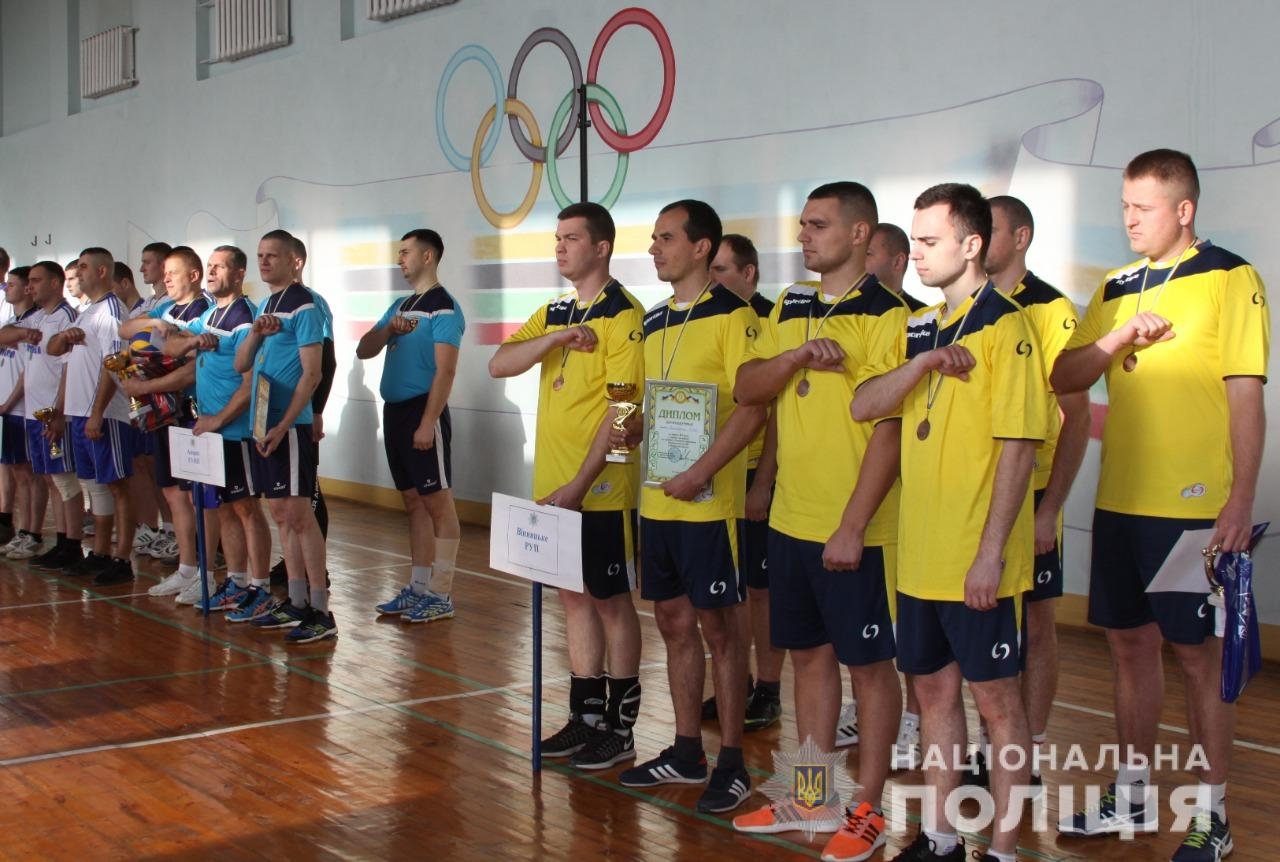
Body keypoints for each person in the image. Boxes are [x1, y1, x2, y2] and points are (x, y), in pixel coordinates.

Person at [1052, 149, 1267, 861]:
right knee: (1128, 647)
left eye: (1141, 208)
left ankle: (1213, 816)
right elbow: (1066, 374)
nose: (1129, 220)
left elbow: (1245, 396)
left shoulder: (1230, 278)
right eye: (1123, 207)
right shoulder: (1117, 285)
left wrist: (1238, 499)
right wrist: (1114, 337)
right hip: (1120, 505)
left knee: (1197, 659)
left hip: (1193, 513)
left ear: (1184, 210)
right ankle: (1134, 795)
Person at [851, 183, 1049, 862]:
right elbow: (863, 405)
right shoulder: (918, 326)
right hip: (921, 558)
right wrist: (924, 363)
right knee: (933, 697)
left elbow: (1020, 447)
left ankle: (1001, 849)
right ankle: (938, 839)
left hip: (977, 559)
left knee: (998, 707)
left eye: (930, 241)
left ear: (972, 245)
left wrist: (991, 554)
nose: (917, 253)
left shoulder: (1010, 328)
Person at [732, 182, 907, 859]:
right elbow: (751, 386)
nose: (804, 236)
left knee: (868, 670)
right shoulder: (789, 304)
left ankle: (866, 809)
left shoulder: (889, 316)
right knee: (807, 660)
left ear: (861, 234)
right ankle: (811, 796)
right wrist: (797, 356)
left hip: (854, 528)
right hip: (792, 521)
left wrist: (854, 525)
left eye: (820, 225)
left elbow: (889, 435)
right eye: (802, 224)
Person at [617, 200, 765, 814]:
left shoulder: (738, 317)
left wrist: (701, 472)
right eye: (652, 239)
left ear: (702, 247)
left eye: (667, 238)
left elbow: (755, 407)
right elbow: (645, 401)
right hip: (659, 503)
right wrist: (631, 428)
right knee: (673, 625)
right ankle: (685, 750)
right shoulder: (653, 322)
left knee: (723, 633)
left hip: (709, 506)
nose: (655, 248)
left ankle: (732, 761)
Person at [489, 203, 645, 770]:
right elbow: (500, 364)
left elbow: (626, 409)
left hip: (599, 488)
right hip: (554, 486)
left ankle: (621, 728)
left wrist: (583, 481)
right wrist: (556, 340)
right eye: (556, 238)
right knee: (572, 599)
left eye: (571, 238)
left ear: (601, 247)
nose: (559, 247)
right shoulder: (555, 310)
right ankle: (585, 718)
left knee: (609, 602)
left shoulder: (624, 315)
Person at [959, 195, 1089, 789]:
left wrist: (1052, 509)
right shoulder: (963, 310)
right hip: (971, 499)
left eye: (993, 229)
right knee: (982, 624)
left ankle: (1026, 751)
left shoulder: (1050, 308)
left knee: (1035, 625)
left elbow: (1075, 417)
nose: (980, 238)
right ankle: (991, 747)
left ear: (1023, 236)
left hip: (1030, 495)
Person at [233, 230, 333, 643]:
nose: (264, 261)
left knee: (299, 516)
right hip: (264, 424)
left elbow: (313, 373)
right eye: (260, 255)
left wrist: (286, 423)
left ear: (296, 261)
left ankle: (321, 611)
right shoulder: (266, 305)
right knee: (280, 516)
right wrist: (256, 331)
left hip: (288, 428)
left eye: (272, 255)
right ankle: (294, 600)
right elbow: (243, 361)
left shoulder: (305, 305)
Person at [163, 245, 274, 620]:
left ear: (240, 273)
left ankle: (261, 587)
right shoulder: (211, 313)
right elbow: (168, 343)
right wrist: (193, 341)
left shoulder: (246, 319)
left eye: (219, 267)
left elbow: (250, 384)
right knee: (225, 508)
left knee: (246, 509)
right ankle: (238, 581)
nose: (211, 272)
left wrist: (219, 419)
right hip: (210, 431)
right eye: (208, 266)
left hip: (236, 431)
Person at [362, 228, 464, 623]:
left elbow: (447, 369)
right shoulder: (400, 306)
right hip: (395, 412)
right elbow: (364, 349)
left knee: (438, 502)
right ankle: (418, 587)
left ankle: (441, 593)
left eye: (406, 252)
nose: (399, 259)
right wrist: (389, 329)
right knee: (412, 502)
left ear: (428, 257)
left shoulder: (444, 307)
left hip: (424, 412)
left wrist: (428, 422)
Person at [705, 233, 784, 730]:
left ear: (749, 274)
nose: (713, 281)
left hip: (755, 471)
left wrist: (764, 482)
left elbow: (773, 411)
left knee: (760, 589)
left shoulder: (773, 318)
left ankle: (770, 690)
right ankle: (735, 686)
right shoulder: (696, 316)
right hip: (713, 474)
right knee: (724, 594)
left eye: (721, 271)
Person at [119, 247, 211, 603]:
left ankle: (204, 571)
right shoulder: (164, 309)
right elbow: (124, 327)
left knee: (196, 496)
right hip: (163, 415)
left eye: (173, 273)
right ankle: (186, 568)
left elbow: (193, 367)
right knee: (173, 493)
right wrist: (153, 323)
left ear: (194, 275)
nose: (166, 278)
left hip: (191, 412)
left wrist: (145, 387)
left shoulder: (204, 311)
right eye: (165, 273)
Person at [46, 247, 141, 586]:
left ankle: (122, 558)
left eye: (84, 267)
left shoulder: (112, 310)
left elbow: (115, 366)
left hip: (103, 414)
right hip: (77, 413)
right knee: (95, 485)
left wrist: (97, 413)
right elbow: (55, 352)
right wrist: (62, 337)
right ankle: (99, 551)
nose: (79, 272)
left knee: (117, 486)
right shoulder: (85, 312)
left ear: (102, 271)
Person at [20, 262, 86, 570]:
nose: (30, 286)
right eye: (29, 281)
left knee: (64, 478)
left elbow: (68, 368)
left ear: (56, 282)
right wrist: (23, 331)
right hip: (34, 413)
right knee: (50, 478)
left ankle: (72, 543)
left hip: (52, 413)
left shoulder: (66, 317)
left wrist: (58, 412)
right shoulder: (37, 317)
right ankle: (61, 539)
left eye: (36, 280)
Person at [130, 241, 178, 562]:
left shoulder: (180, 305)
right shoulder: (152, 305)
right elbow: (128, 333)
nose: (142, 268)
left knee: (177, 478)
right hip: (149, 399)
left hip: (173, 402)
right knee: (156, 470)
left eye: (147, 262)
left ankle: (178, 534)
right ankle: (169, 532)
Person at [0, 266, 46, 558]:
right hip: (8, 409)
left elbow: (27, 373)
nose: (7, 289)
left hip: (20, 408)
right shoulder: (13, 322)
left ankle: (33, 532)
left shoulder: (35, 323)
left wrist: (9, 402)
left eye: (12, 284)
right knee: (18, 473)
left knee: (31, 475)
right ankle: (23, 531)